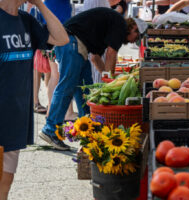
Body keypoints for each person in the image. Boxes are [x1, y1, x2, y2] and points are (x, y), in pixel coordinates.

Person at [0, 0, 69, 199]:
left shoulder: (26, 20)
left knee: (3, 183)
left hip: (13, 120)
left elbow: (61, 39)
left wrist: (41, 6)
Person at [40, 7, 146, 151]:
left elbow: (95, 58)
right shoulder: (120, 26)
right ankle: (50, 129)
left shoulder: (111, 26)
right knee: (67, 87)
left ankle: (90, 130)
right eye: (137, 37)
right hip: (72, 43)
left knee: (86, 89)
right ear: (133, 27)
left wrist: (107, 80)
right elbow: (110, 54)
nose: (135, 41)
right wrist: (111, 80)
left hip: (77, 45)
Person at [29, 0, 78, 121]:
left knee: (55, 75)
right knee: (60, 75)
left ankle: (52, 110)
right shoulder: (57, 3)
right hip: (59, 39)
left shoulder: (48, 3)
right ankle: (64, 112)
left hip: (52, 40)